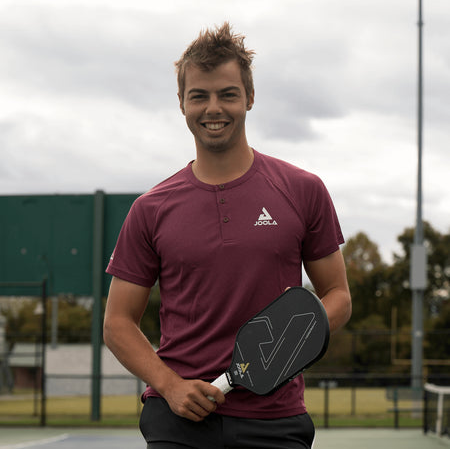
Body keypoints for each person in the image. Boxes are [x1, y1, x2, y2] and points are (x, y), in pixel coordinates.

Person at [103, 22, 351, 449]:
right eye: (198, 95)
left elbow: (338, 296)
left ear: (249, 98)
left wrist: (287, 345)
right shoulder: (150, 209)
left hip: (276, 419)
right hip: (176, 421)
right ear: (181, 103)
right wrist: (170, 384)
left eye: (227, 94)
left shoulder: (303, 189)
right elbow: (117, 323)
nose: (212, 108)